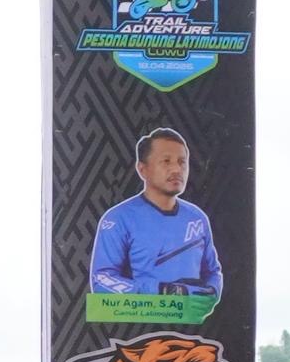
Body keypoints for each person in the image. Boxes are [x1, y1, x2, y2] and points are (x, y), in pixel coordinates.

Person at [87, 129, 222, 307]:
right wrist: (161, 291)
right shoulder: (118, 218)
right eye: (166, 161)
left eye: (182, 162)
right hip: (140, 321)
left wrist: (211, 291)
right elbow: (102, 280)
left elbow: (212, 272)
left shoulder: (197, 217)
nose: (177, 169)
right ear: (142, 169)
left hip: (193, 321)